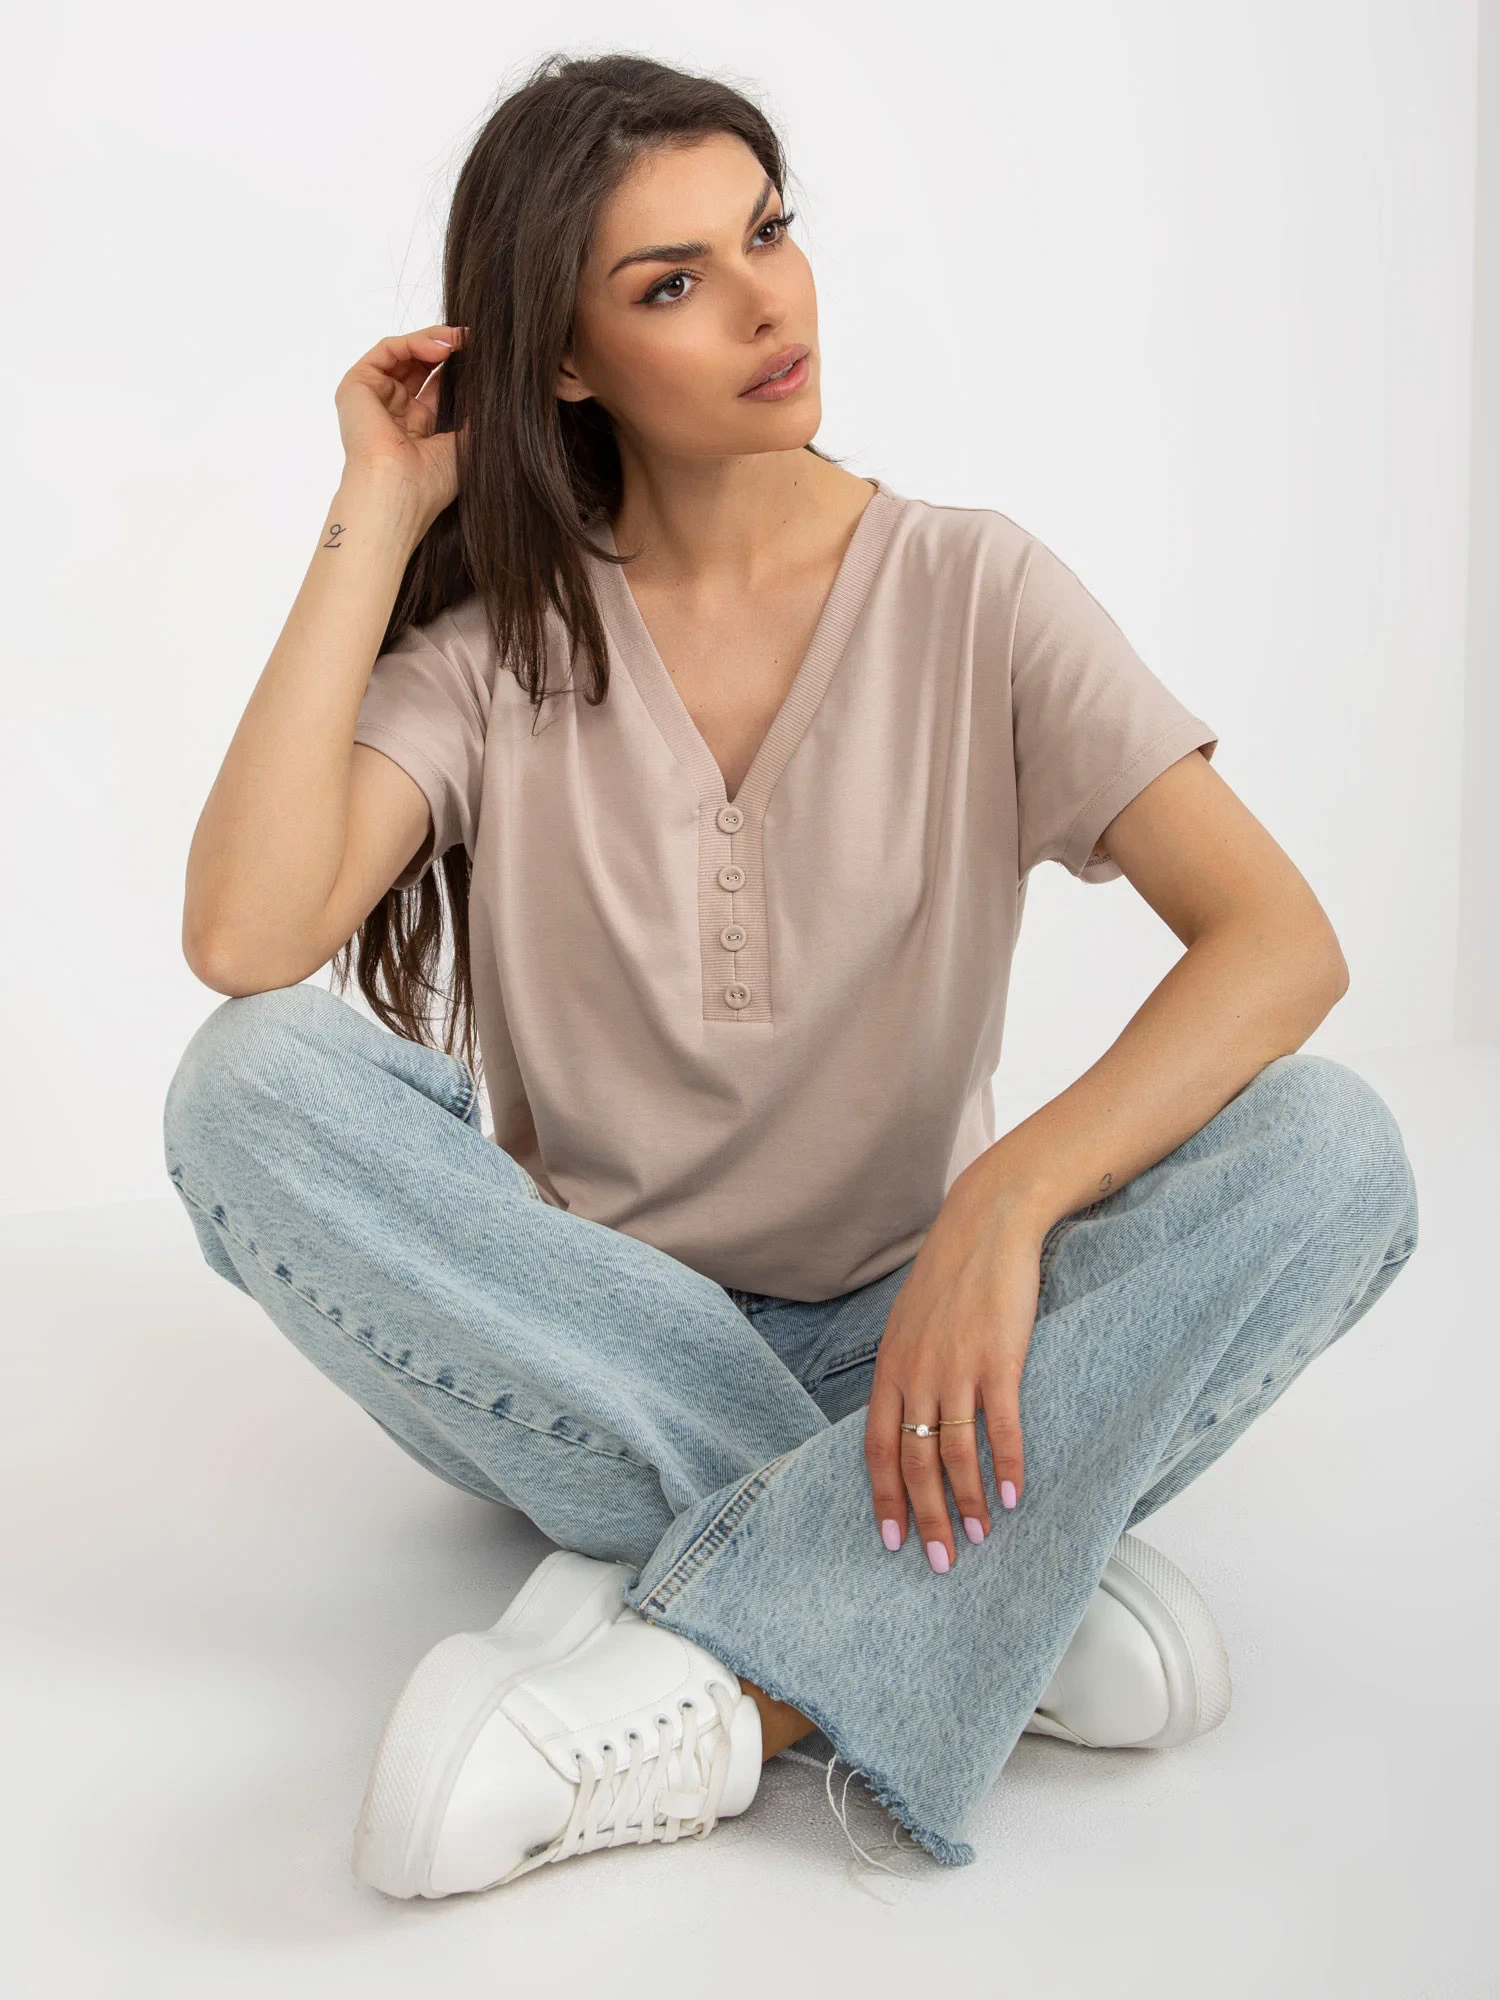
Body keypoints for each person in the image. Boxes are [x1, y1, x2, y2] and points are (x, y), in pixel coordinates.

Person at [162, 52, 1420, 1897]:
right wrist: (380, 500)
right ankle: (966, 1576)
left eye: (768, 233)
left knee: (1336, 1155)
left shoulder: (975, 589)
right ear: (566, 359)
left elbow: (1280, 943)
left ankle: (723, 1683)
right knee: (246, 1087)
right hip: (589, 1345)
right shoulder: (505, 646)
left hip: (931, 1340)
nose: (766, 304)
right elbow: (245, 939)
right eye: (674, 281)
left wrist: (1004, 1204)